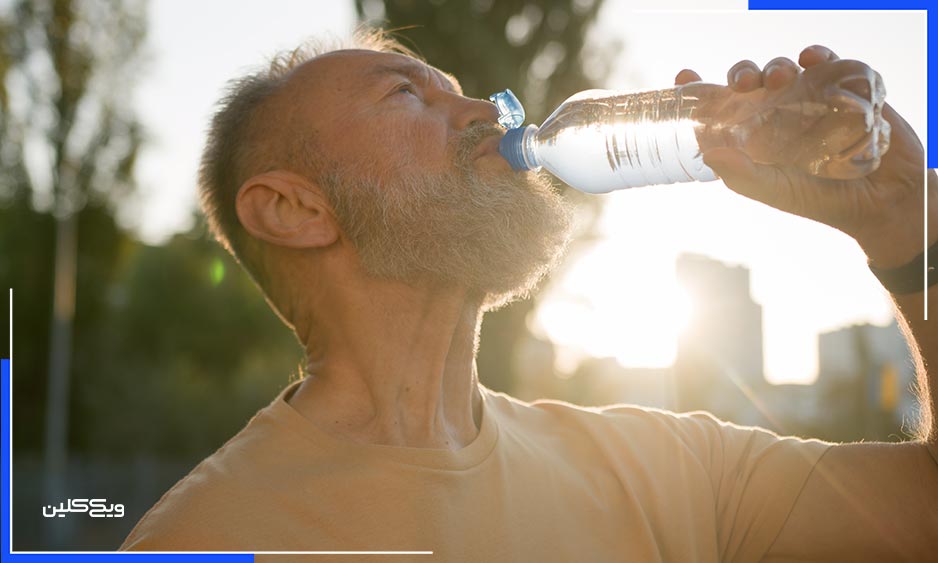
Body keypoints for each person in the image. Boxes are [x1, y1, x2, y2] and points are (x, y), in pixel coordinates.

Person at [121, 29, 938, 561]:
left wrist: (909, 230)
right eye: (409, 94)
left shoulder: (665, 470)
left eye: (457, 87)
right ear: (296, 208)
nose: (483, 110)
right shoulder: (207, 540)